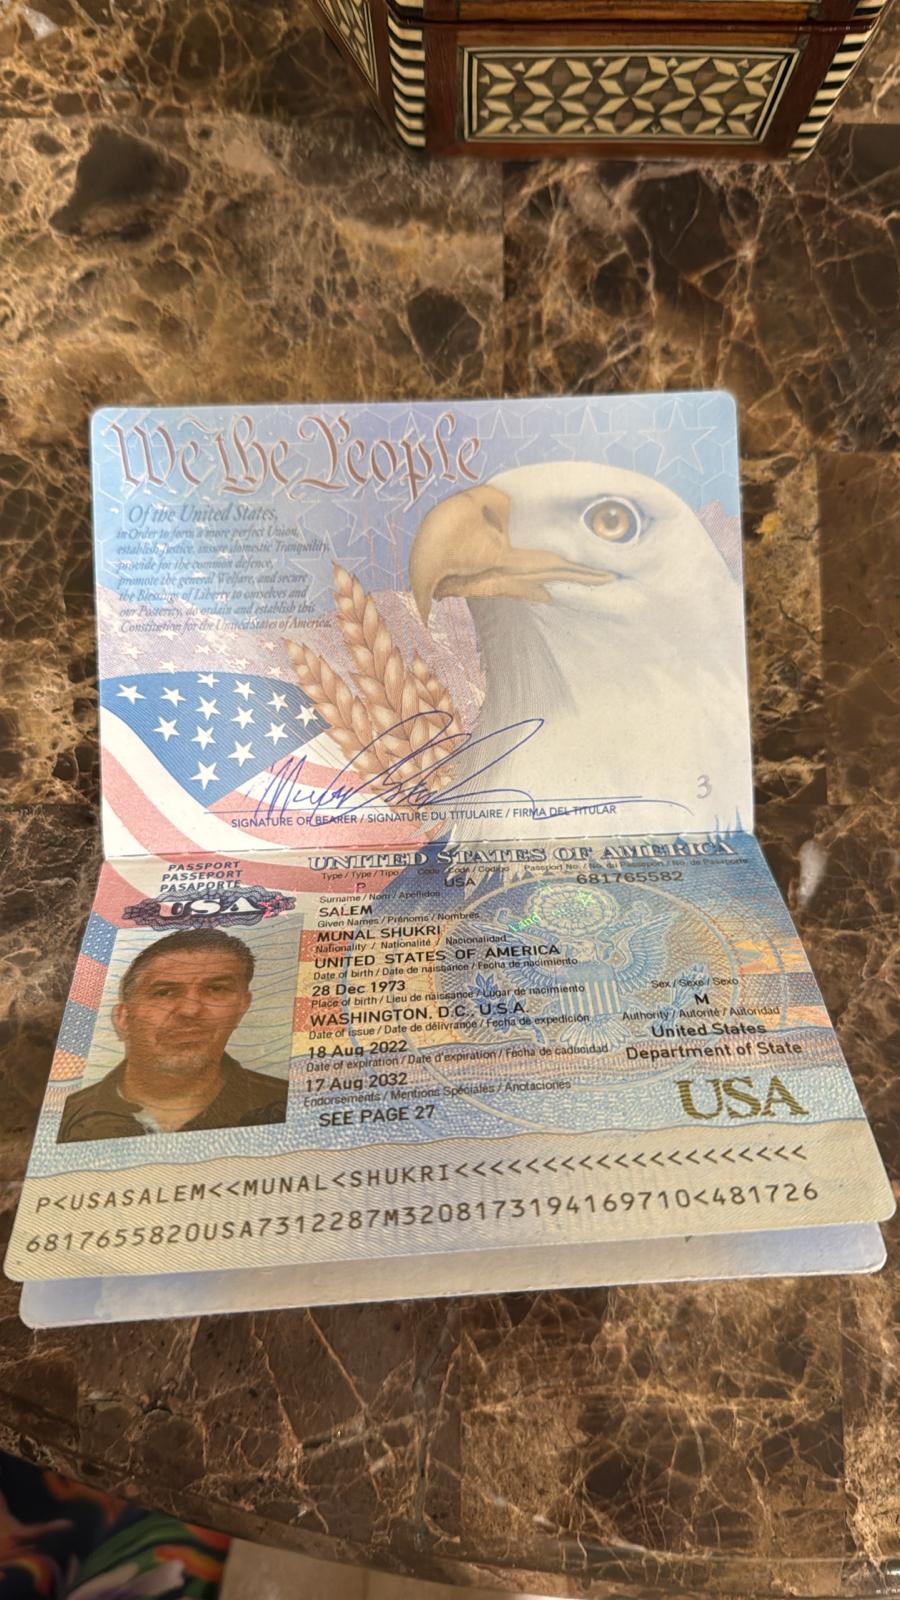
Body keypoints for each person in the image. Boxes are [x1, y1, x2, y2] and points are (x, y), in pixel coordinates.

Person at [57, 928, 288, 1142]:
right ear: (123, 1018)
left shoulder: (288, 1102)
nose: (190, 1010)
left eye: (216, 989)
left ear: (242, 1007)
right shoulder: (61, 1116)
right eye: (164, 992)